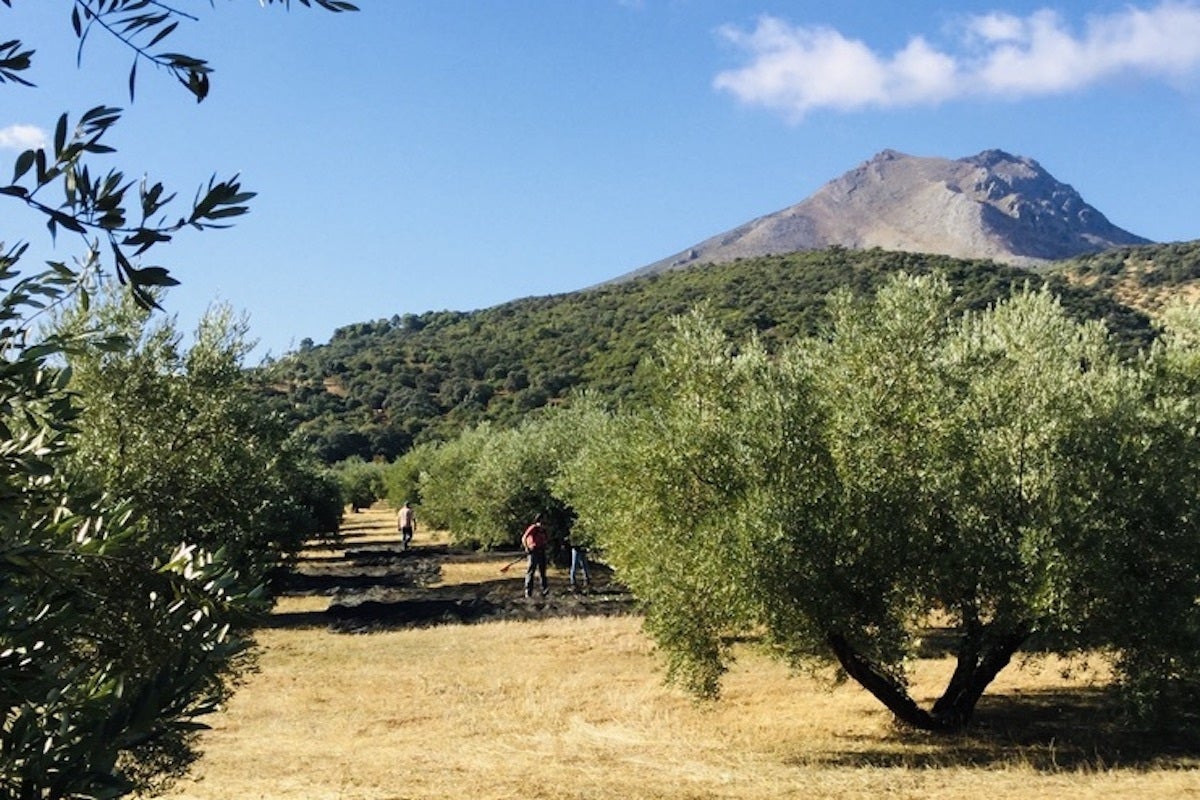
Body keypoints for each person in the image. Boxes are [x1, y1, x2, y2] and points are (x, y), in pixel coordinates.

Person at [522, 513, 550, 598]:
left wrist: (545, 545)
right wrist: (527, 547)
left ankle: (544, 590)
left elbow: (546, 540)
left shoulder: (544, 530)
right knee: (531, 571)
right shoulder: (533, 528)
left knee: (543, 571)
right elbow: (524, 537)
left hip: (542, 550)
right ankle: (528, 591)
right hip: (533, 551)